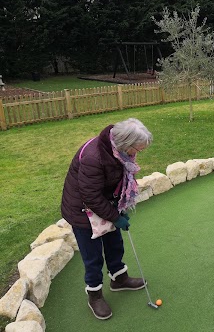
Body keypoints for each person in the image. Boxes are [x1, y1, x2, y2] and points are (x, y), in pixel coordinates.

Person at [61, 118, 153, 320]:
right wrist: (115, 217)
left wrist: (119, 207)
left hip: (104, 204)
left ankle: (119, 279)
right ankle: (94, 296)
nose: (138, 153)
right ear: (124, 144)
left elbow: (113, 182)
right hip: (82, 211)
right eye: (136, 149)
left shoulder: (118, 152)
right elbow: (91, 196)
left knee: (114, 243)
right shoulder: (94, 157)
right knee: (93, 256)